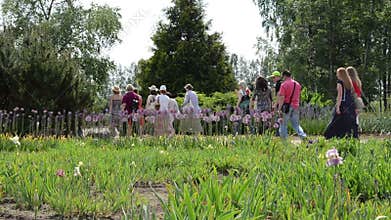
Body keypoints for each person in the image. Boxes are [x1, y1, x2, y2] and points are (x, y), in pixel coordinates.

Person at [324, 67, 358, 139]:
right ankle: (350, 136)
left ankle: (329, 136)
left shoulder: (340, 83)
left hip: (343, 104)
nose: (336, 75)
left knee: (335, 122)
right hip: (350, 104)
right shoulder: (349, 83)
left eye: (337, 73)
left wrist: (338, 107)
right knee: (348, 122)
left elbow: (340, 95)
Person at [277, 70, 307, 140]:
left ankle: (284, 141)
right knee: (296, 125)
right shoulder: (298, 84)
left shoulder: (284, 85)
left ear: (284, 76)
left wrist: (279, 108)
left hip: (286, 107)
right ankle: (303, 137)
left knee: (283, 124)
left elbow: (282, 97)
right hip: (296, 106)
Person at [347, 66, 363, 136]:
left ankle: (353, 133)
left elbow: (352, 92)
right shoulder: (358, 81)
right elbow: (359, 92)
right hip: (359, 100)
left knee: (351, 118)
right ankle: (356, 132)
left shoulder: (350, 82)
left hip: (353, 100)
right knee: (356, 118)